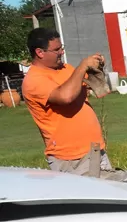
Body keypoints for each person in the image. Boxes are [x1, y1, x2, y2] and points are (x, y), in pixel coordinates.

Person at [22, 28, 112, 177]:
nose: (62, 52)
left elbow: (92, 87)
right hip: (71, 159)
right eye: (57, 49)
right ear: (40, 52)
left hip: (95, 149)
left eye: (61, 47)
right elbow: (65, 97)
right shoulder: (34, 80)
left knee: (111, 190)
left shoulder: (66, 69)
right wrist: (83, 66)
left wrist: (97, 66)